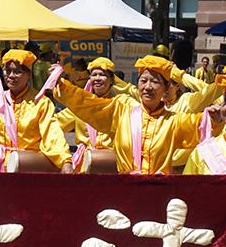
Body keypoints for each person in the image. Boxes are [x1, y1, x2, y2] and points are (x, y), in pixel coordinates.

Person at [51, 54, 206, 175]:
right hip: (121, 185)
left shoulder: (173, 121)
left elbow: (202, 125)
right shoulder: (121, 112)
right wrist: (62, 87)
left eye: (155, 82)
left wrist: (215, 117)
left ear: (166, 89)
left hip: (157, 189)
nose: (148, 87)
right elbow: (86, 104)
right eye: (143, 81)